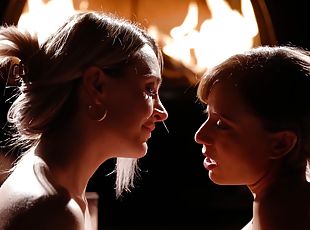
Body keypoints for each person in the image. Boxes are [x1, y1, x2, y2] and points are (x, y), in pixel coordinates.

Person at [0, 11, 168, 229]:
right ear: (96, 85)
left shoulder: (55, 189)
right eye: (149, 89)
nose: (162, 112)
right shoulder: (52, 211)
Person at [194, 45, 310, 229]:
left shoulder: (279, 214)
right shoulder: (286, 203)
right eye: (207, 116)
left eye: (221, 124)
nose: (200, 136)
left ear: (280, 143)